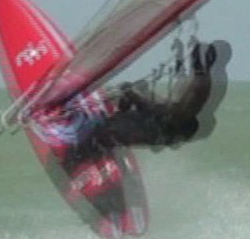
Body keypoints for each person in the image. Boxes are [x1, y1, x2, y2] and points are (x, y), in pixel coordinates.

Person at [61, 39, 231, 170]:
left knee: (105, 130)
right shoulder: (205, 77)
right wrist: (178, 56)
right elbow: (178, 97)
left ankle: (74, 159)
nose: (192, 57)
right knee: (126, 93)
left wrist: (142, 100)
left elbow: (177, 114)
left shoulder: (202, 84)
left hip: (168, 129)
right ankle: (113, 138)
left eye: (195, 55)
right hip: (169, 122)